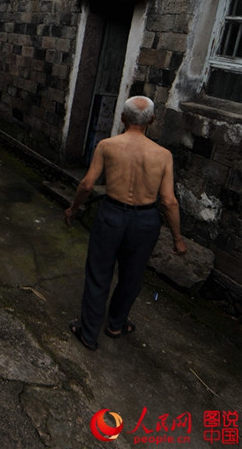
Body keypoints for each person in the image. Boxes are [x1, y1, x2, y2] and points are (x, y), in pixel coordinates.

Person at [64, 96, 187, 351]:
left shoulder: (107, 146)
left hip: (111, 214)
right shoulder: (163, 155)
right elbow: (169, 201)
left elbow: (87, 184)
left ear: (122, 118)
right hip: (145, 220)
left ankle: (88, 333)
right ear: (151, 120)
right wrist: (177, 238)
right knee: (132, 274)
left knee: (99, 273)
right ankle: (117, 324)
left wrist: (74, 209)